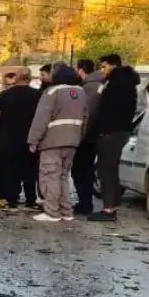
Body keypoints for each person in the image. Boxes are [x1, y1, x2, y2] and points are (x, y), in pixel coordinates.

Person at [28, 63, 88, 223]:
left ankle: (52, 212)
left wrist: (33, 140)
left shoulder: (52, 92)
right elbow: (85, 118)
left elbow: (41, 118)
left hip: (52, 141)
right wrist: (79, 137)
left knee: (50, 177)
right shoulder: (81, 92)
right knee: (63, 177)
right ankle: (66, 212)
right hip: (73, 141)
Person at [88, 53, 141, 222]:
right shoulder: (128, 83)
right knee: (111, 169)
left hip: (110, 132)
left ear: (112, 65)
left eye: (104, 66)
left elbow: (106, 109)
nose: (102, 71)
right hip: (121, 131)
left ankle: (108, 209)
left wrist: (100, 130)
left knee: (106, 170)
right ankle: (112, 204)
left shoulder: (115, 84)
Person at [0, 69, 41, 209]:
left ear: (17, 78)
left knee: (9, 169)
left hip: (7, 139)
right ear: (29, 79)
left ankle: (11, 199)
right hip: (29, 139)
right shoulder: (37, 95)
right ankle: (30, 199)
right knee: (30, 170)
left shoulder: (4, 95)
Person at [71, 59, 106, 215]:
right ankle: (86, 201)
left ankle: (85, 203)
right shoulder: (103, 84)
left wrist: (81, 136)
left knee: (80, 169)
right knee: (88, 169)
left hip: (86, 137)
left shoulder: (87, 89)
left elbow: (87, 114)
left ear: (80, 70)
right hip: (100, 135)